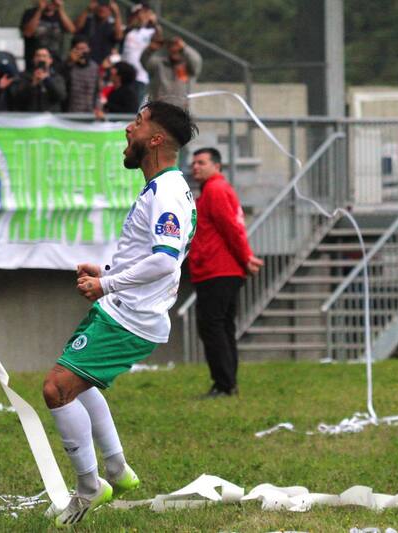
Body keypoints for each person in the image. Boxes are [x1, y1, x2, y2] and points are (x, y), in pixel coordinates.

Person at [42, 101, 198, 526]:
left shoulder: (166, 191)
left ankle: (90, 487)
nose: (129, 129)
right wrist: (107, 273)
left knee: (57, 389)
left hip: (130, 316)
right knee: (78, 384)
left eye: (138, 122)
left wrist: (107, 285)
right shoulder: (162, 186)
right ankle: (116, 469)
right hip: (123, 308)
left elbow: (165, 260)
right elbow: (149, 255)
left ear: (156, 139)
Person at [188, 148, 263, 398]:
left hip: (217, 270)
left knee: (213, 326)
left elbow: (231, 228)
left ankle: (224, 384)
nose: (195, 167)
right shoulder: (215, 190)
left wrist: (246, 257)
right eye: (194, 163)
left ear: (217, 166)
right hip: (221, 269)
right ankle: (228, 382)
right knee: (222, 326)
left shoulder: (215, 189)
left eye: (201, 162)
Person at [141, 33, 202, 109]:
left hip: (183, 108)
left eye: (178, 49)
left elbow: (196, 60)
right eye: (171, 47)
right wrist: (150, 49)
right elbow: (146, 62)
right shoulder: (158, 64)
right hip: (160, 108)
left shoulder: (189, 66)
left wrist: (184, 47)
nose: (175, 50)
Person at [120, 2, 158, 103]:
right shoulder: (128, 31)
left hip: (140, 77)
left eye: (143, 13)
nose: (140, 16)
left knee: (135, 106)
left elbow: (158, 40)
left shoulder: (151, 32)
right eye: (137, 14)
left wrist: (153, 23)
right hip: (123, 77)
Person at [20, 0, 76, 65]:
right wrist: (40, 10)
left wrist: (60, 8)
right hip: (35, 59)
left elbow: (71, 30)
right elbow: (28, 33)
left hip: (55, 59)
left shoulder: (60, 14)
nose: (50, 3)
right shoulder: (30, 13)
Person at [12, 47, 66, 112]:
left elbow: (61, 96)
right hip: (30, 115)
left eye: (44, 56)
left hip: (50, 116)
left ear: (50, 60)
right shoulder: (24, 76)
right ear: (34, 59)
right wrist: (32, 84)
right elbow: (18, 98)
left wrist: (47, 79)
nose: (41, 59)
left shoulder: (56, 77)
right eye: (38, 56)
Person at [74, 0, 123, 65]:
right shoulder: (88, 19)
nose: (103, 9)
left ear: (111, 10)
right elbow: (76, 28)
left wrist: (117, 14)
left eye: (107, 6)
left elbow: (119, 37)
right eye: (101, 5)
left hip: (101, 64)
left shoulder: (113, 25)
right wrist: (87, 10)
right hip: (82, 62)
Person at [60, 35, 99, 113]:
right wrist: (70, 64)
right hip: (70, 111)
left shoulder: (94, 67)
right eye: (79, 49)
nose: (82, 52)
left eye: (84, 48)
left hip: (89, 112)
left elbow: (96, 90)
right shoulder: (67, 66)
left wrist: (96, 108)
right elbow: (62, 86)